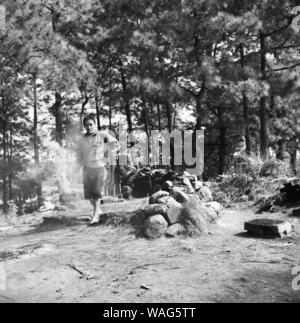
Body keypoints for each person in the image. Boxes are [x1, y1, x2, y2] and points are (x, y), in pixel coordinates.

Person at [77, 114, 120, 225]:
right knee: (89, 195)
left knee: (96, 193)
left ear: (95, 124)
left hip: (99, 167)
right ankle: (98, 210)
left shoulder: (102, 135)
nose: (89, 127)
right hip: (87, 168)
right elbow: (79, 154)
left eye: (91, 124)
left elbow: (116, 144)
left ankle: (96, 215)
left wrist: (109, 155)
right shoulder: (82, 139)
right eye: (86, 125)